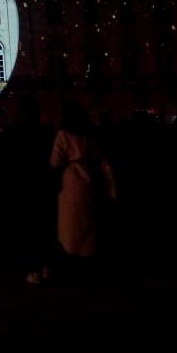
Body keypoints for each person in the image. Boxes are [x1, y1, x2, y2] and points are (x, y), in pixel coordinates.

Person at [50, 100, 117, 277]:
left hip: (70, 183)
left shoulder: (63, 135)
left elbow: (54, 162)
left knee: (70, 225)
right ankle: (88, 264)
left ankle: (72, 266)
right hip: (89, 181)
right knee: (87, 224)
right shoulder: (88, 136)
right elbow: (102, 161)